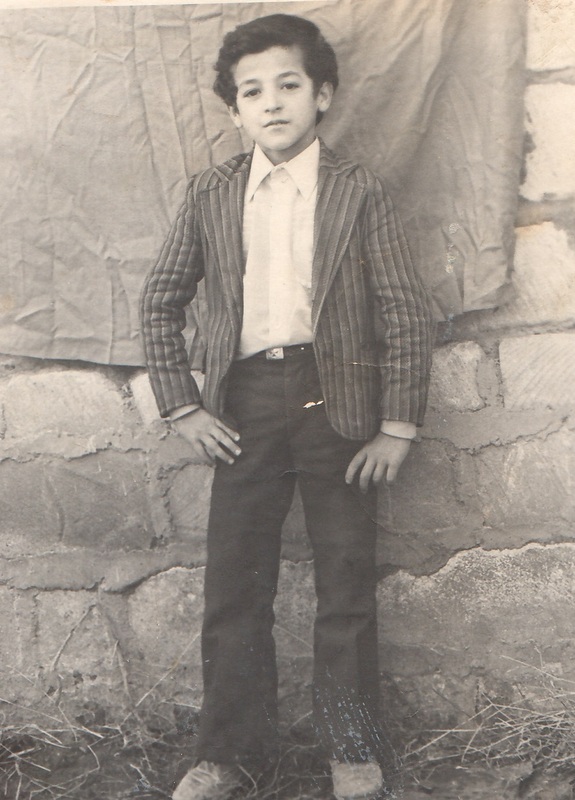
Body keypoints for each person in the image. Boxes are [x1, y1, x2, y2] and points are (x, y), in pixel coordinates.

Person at [140, 13, 433, 800]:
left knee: (345, 583)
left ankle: (351, 750)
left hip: (337, 402)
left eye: (288, 85)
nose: (271, 103)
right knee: (236, 585)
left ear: (322, 95)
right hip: (244, 406)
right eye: (251, 92)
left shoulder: (357, 191)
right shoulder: (211, 193)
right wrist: (183, 406)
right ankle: (230, 753)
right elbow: (160, 302)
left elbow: (405, 311)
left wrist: (396, 427)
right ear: (234, 109)